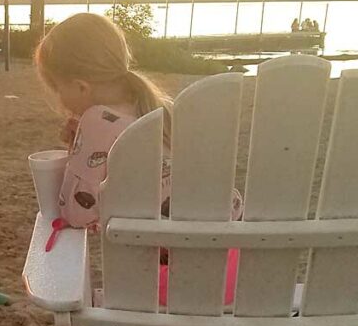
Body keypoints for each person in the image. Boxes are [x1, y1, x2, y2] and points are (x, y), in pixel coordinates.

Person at [35, 13, 244, 230]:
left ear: (81, 87)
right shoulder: (157, 106)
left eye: (57, 88)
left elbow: (77, 213)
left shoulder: (96, 121)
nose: (58, 99)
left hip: (190, 251)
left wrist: (76, 153)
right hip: (234, 235)